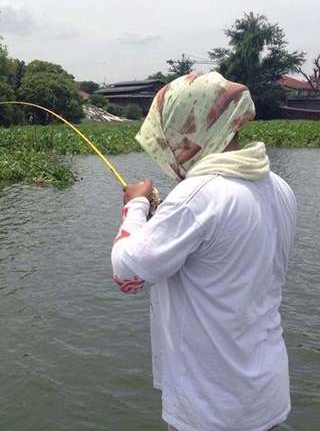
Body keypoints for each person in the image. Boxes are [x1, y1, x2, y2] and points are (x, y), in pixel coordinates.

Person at [110, 72, 297, 431]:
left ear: (189, 132)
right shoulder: (278, 187)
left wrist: (136, 206)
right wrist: (161, 214)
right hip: (267, 397)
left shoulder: (198, 196)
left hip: (211, 410)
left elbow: (126, 273)